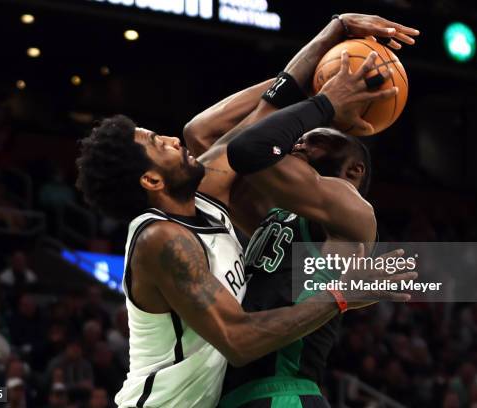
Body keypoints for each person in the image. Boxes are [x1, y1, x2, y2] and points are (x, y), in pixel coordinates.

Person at [75, 13, 418, 408]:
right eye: (157, 144)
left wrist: (335, 33)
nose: (170, 139)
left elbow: (270, 107)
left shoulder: (206, 195)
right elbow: (239, 340)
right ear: (151, 181)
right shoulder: (161, 239)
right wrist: (341, 296)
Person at [183, 14, 420, 407]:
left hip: (283, 392)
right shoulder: (272, 212)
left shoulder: (349, 209)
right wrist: (322, 63)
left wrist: (323, 103)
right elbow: (202, 136)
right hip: (235, 392)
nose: (296, 142)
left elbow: (249, 148)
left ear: (354, 168)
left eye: (312, 140)